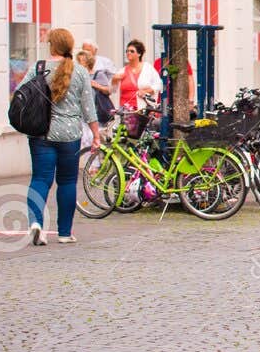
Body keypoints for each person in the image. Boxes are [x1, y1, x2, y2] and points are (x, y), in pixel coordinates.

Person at [24, 28, 98, 247]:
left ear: (51, 45)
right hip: (69, 136)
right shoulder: (80, 72)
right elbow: (88, 108)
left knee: (40, 179)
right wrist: (96, 134)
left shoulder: (38, 68)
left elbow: (20, 93)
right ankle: (64, 233)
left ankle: (36, 223)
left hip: (41, 133)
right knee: (66, 182)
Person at [114, 39, 162, 113]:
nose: (128, 53)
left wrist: (145, 91)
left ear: (139, 54)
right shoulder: (122, 71)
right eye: (127, 51)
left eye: (132, 51)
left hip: (142, 109)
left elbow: (159, 85)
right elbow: (111, 90)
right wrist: (113, 80)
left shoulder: (147, 68)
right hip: (124, 111)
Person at [81, 39, 116, 125]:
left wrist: (97, 85)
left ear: (95, 50)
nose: (86, 53)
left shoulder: (104, 63)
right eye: (84, 50)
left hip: (98, 103)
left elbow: (112, 82)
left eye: (88, 50)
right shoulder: (79, 64)